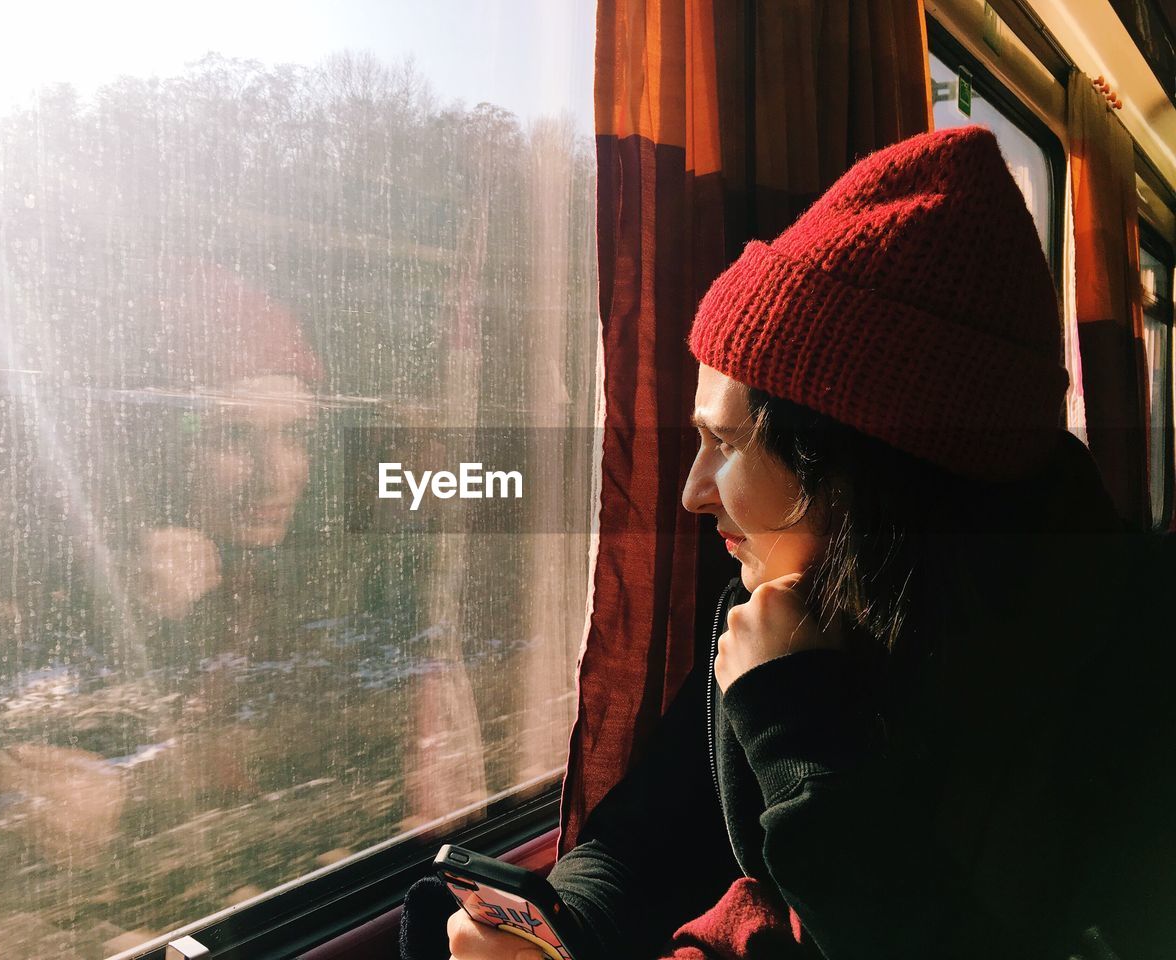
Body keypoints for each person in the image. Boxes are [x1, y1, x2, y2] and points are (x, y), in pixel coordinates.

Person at [429, 126, 1176, 959]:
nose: (691, 492)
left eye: (724, 443)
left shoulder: (1132, 675)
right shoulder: (780, 607)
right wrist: (556, 928)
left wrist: (800, 741)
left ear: (858, 464)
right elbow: (650, 840)